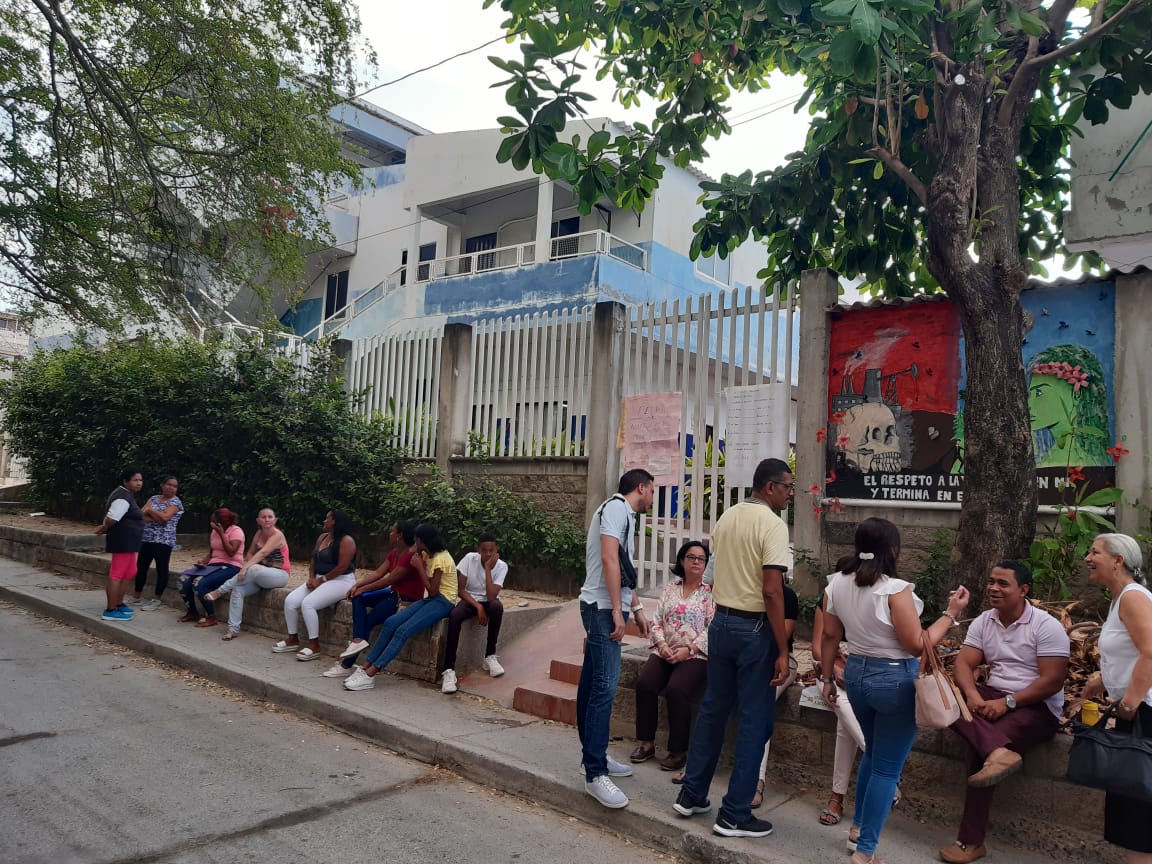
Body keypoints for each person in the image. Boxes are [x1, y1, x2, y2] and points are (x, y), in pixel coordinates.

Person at [820, 517, 970, 864]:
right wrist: (951, 614)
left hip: (855, 674)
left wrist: (828, 678)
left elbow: (829, 637)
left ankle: (858, 829)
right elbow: (918, 645)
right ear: (894, 549)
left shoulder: (836, 585)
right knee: (887, 768)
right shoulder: (894, 589)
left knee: (873, 754)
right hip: (894, 679)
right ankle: (865, 852)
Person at [673, 457, 793, 838]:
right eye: (787, 486)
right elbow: (772, 590)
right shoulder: (773, 525)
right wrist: (782, 648)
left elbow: (713, 575)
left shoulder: (727, 517)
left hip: (720, 623)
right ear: (770, 487)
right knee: (756, 720)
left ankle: (691, 794)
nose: (791, 492)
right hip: (752, 627)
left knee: (713, 709)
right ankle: (735, 813)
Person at [938, 561, 1070, 863]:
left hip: (1034, 707)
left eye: (1003, 584)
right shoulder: (986, 620)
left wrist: (1008, 702)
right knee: (947, 703)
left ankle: (971, 842)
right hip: (991, 695)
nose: (993, 588)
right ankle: (999, 751)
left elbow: (1052, 680)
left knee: (980, 751)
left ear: (1023, 590)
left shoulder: (1045, 626)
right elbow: (963, 663)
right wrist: (971, 696)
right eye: (991, 582)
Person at [577, 469, 653, 810]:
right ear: (641, 487)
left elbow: (623, 565)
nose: (654, 496)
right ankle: (594, 773)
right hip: (601, 607)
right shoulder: (616, 509)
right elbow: (609, 557)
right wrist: (617, 611)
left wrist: (634, 606)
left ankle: (593, 758)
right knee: (604, 689)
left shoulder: (625, 514)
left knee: (592, 684)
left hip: (605, 605)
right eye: (653, 489)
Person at [1083, 533, 1152, 864]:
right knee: (1136, 806)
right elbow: (1130, 651)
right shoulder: (1121, 597)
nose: (1087, 557)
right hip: (1139, 712)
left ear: (1118, 560)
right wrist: (1101, 678)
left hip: (1144, 714)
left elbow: (1151, 652)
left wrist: (1129, 704)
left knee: (1139, 811)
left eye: (1095, 552)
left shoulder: (1132, 597)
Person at [630, 539, 713, 772]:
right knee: (646, 684)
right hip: (665, 649)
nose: (696, 562)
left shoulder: (709, 594)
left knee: (677, 690)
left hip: (694, 655)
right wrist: (662, 644)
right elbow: (656, 621)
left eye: (701, 559)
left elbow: (711, 627)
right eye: (691, 557)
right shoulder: (669, 589)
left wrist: (690, 649)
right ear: (682, 561)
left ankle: (678, 751)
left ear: (706, 564)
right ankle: (646, 743)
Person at [344, 523, 457, 691]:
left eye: (416, 541)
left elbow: (433, 591)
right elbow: (411, 553)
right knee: (390, 623)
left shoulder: (440, 559)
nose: (414, 544)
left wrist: (419, 567)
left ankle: (371, 674)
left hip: (443, 601)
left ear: (421, 540)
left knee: (403, 631)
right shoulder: (427, 553)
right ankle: (365, 667)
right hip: (431, 600)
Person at [323, 520, 422, 678]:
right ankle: (357, 640)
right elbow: (378, 573)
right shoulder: (394, 553)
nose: (390, 534)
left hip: (403, 600)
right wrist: (357, 586)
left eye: (392, 531)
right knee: (358, 597)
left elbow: (389, 580)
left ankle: (346, 664)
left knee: (367, 623)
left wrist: (362, 588)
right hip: (392, 593)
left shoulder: (409, 556)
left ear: (400, 535)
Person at [272, 510, 357, 660]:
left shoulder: (346, 541)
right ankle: (292, 639)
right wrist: (311, 577)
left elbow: (342, 567)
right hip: (319, 578)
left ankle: (314, 646)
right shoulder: (322, 537)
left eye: (327, 518)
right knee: (290, 601)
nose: (324, 521)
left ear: (335, 522)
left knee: (308, 604)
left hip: (341, 580)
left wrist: (322, 580)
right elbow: (313, 560)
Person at [204, 508, 291, 641]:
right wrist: (252, 565)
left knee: (253, 568)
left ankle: (220, 591)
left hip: (279, 575)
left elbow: (262, 553)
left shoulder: (277, 535)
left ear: (275, 520)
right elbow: (250, 553)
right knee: (238, 590)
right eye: (263, 517)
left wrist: (245, 568)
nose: (267, 519)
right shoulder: (259, 533)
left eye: (270, 517)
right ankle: (233, 629)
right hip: (260, 574)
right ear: (258, 520)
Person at [441, 533, 509, 693]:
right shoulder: (469, 559)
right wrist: (478, 607)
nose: (487, 554)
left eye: (491, 550)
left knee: (497, 607)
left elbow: (492, 596)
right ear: (478, 550)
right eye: (484, 550)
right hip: (470, 600)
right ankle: (449, 671)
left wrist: (487, 569)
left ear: (496, 549)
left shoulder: (501, 566)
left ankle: (490, 656)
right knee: (454, 615)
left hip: (489, 601)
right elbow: (461, 590)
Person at [752, 577, 799, 807]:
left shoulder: (787, 596)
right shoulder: (748, 592)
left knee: (761, 707)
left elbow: (784, 634)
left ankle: (756, 781)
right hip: (749, 662)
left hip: (780, 661)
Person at [177, 508, 244, 627]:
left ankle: (211, 616)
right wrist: (203, 561)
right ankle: (192, 612)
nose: (211, 523)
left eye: (213, 521)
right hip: (213, 566)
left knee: (199, 583)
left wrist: (222, 534)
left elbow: (231, 552)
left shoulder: (236, 531)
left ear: (221, 523)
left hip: (231, 566)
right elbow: (213, 552)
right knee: (183, 580)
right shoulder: (214, 532)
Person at [95, 468, 145, 621]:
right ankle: (111, 609)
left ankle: (119, 602)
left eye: (140, 480)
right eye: (135, 480)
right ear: (126, 481)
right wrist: (104, 528)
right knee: (117, 573)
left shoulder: (127, 496)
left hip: (130, 541)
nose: (139, 483)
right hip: (122, 540)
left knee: (130, 571)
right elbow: (112, 518)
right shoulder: (122, 497)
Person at [128, 476, 184, 610]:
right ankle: (136, 596)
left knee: (161, 569)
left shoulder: (175, 502)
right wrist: (156, 516)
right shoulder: (153, 498)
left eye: (174, 486)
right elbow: (142, 516)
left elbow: (165, 518)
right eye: (169, 484)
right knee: (141, 567)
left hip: (164, 540)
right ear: (162, 485)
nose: (171, 488)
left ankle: (157, 600)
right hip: (147, 538)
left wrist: (151, 511)